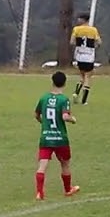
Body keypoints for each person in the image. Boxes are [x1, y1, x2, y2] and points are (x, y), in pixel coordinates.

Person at [34, 71, 79, 201]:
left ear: (52, 82)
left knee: (42, 166)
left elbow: (36, 115)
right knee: (65, 164)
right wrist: (73, 119)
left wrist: (44, 124)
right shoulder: (64, 99)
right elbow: (65, 116)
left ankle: (39, 193)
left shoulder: (43, 98)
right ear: (64, 83)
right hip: (60, 138)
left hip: (46, 137)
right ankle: (67, 189)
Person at [69, 13, 101, 105]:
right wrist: (94, 46)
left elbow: (71, 41)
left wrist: (78, 45)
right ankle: (84, 100)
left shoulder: (76, 29)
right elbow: (99, 42)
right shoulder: (93, 30)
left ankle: (76, 93)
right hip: (89, 55)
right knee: (88, 76)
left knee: (82, 76)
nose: (78, 20)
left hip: (79, 55)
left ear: (83, 19)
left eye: (79, 19)